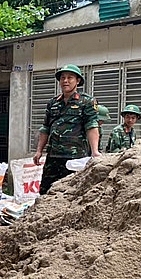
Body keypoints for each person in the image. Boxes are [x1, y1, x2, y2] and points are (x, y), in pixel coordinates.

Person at [33, 64, 100, 195]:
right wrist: (39, 151)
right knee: (46, 192)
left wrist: (95, 151)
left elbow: (91, 126)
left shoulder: (86, 102)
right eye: (63, 78)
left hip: (75, 158)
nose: (65, 81)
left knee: (71, 194)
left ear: (78, 81)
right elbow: (45, 128)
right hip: (53, 157)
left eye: (70, 78)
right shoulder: (53, 103)